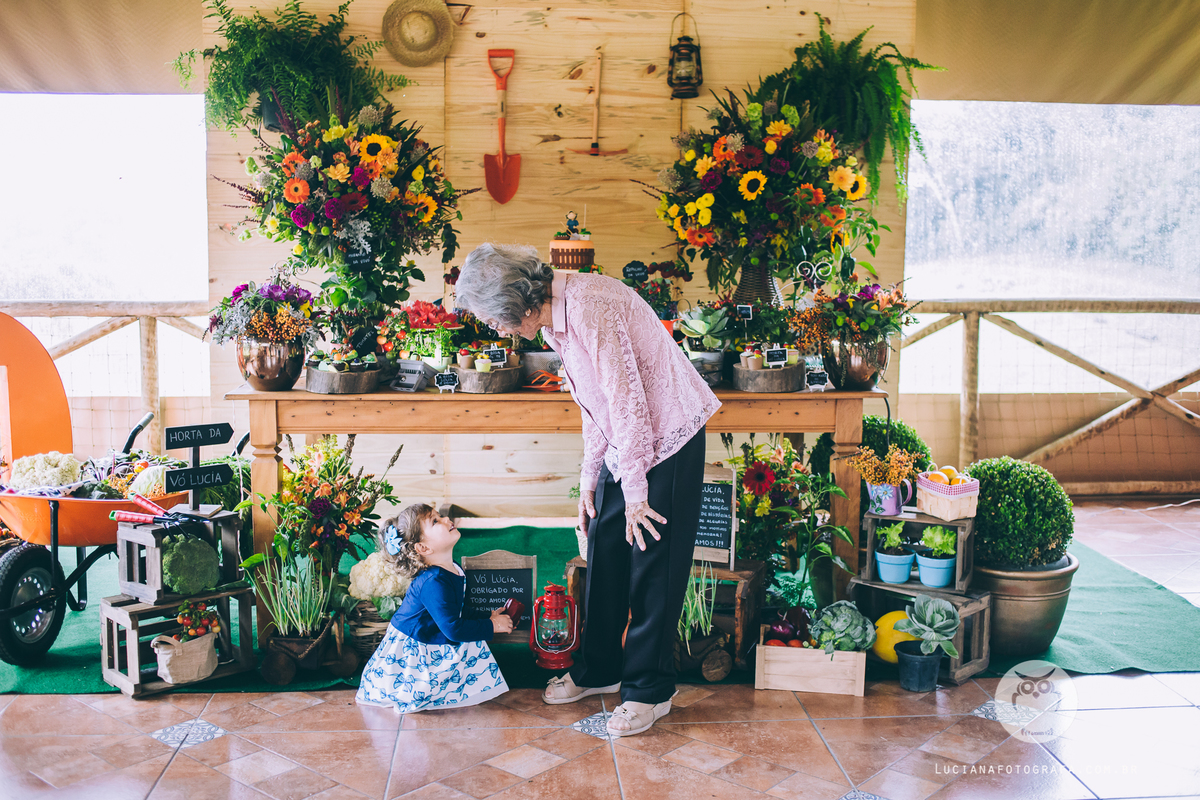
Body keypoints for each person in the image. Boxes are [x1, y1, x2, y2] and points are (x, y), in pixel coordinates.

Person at [454, 243, 720, 736]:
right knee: (605, 549)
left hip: (669, 435)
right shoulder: (553, 318)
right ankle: (600, 669)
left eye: (493, 319)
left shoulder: (589, 306)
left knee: (652, 563)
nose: (495, 330)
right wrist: (590, 479)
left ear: (515, 302)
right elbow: (595, 404)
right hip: (629, 438)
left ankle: (650, 690)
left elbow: (628, 400)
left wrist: (636, 491)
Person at [355, 503, 513, 713]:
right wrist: (492, 626)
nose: (447, 519)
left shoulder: (452, 569)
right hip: (414, 642)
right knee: (464, 639)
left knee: (468, 639)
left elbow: (456, 610)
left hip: (431, 631)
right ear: (423, 548)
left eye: (440, 516)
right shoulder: (433, 581)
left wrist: (488, 616)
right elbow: (453, 629)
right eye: (435, 521)